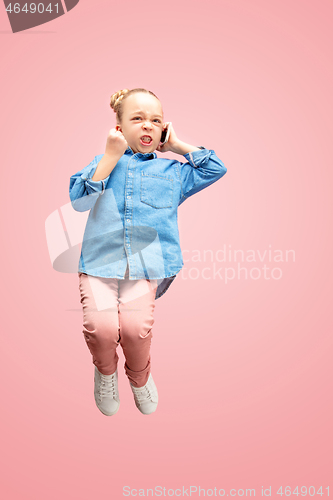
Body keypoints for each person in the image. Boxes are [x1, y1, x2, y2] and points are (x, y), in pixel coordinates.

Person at [69, 88, 227, 417]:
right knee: (101, 329)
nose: (147, 126)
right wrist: (110, 157)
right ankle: (106, 372)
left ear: (163, 129)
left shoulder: (174, 172)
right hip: (100, 265)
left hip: (146, 268)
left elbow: (215, 168)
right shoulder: (103, 163)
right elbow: (79, 201)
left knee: (134, 330)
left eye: (155, 120)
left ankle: (139, 379)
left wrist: (178, 146)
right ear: (119, 127)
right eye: (137, 119)